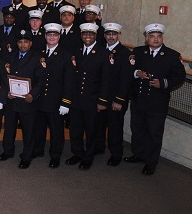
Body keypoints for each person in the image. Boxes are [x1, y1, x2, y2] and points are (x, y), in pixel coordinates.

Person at [124, 24, 186, 176]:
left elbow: (180, 76)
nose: (155, 39)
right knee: (137, 128)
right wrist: (137, 73)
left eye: (158, 36)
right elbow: (127, 69)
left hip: (157, 102)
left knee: (154, 132)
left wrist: (163, 83)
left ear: (162, 38)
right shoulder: (138, 52)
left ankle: (151, 162)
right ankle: (139, 154)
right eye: (152, 36)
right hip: (139, 98)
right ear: (147, 38)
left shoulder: (172, 55)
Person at [0, 30, 45, 169]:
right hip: (12, 100)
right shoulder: (10, 57)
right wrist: (6, 93)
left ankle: (27, 156)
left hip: (27, 101)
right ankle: (8, 151)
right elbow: (5, 78)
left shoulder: (37, 58)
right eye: (20, 42)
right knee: (9, 128)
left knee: (28, 130)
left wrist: (32, 95)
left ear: (30, 43)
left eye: (25, 42)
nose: (22, 44)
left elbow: (42, 81)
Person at [65, 23, 110, 171]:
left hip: (92, 99)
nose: (87, 37)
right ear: (81, 35)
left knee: (91, 131)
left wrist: (102, 101)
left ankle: (88, 157)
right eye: (85, 34)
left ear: (96, 36)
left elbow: (106, 80)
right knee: (75, 130)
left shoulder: (103, 53)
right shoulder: (77, 51)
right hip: (76, 98)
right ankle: (77, 153)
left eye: (90, 34)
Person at [32, 23, 74, 168]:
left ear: (59, 37)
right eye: (49, 35)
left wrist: (66, 102)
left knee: (56, 130)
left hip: (56, 101)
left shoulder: (66, 55)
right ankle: (38, 150)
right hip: (39, 99)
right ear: (45, 36)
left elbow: (69, 81)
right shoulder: (38, 54)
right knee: (38, 128)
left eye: (54, 35)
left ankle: (55, 155)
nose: (51, 37)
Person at [94, 23, 134, 166]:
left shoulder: (125, 54)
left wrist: (119, 100)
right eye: (108, 34)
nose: (111, 36)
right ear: (104, 35)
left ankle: (116, 153)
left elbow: (126, 80)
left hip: (115, 98)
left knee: (114, 127)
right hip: (100, 97)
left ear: (118, 35)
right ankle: (99, 147)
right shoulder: (99, 50)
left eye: (114, 34)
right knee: (98, 124)